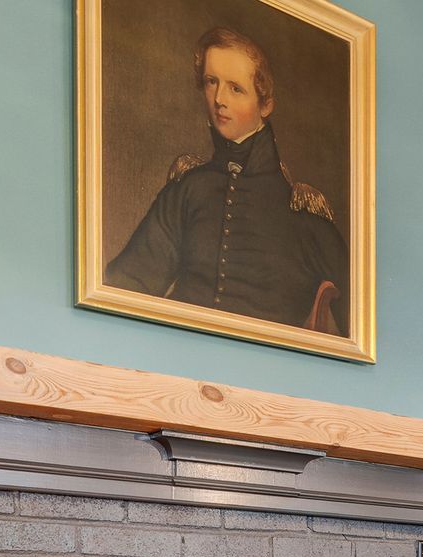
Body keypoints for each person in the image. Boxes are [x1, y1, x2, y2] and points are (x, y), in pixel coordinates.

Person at [106, 26, 348, 335]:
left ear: (265, 104)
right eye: (211, 82)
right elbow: (128, 284)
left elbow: (361, 325)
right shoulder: (189, 188)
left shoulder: (302, 212)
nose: (219, 99)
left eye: (235, 88)